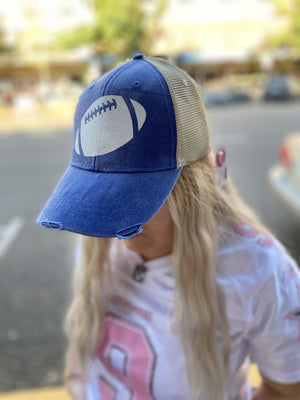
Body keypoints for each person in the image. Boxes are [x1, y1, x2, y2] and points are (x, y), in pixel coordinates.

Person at [37, 54, 300, 400]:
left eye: (134, 195)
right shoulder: (98, 240)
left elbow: (285, 389)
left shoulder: (260, 269)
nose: (114, 222)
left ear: (195, 180)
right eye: (98, 197)